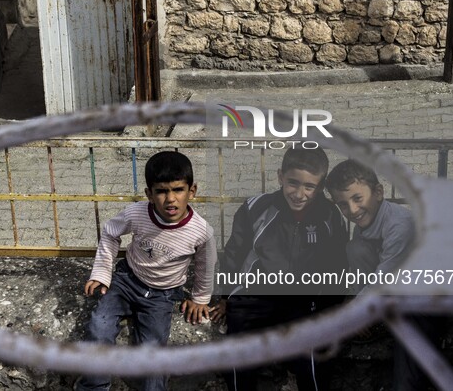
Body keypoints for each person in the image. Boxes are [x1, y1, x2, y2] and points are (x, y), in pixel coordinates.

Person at [75, 151, 217, 391]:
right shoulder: (137, 213)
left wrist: (200, 298)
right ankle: (94, 386)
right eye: (161, 191)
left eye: (178, 190)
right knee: (99, 327)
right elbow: (110, 233)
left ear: (192, 191)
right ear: (149, 194)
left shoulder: (202, 231)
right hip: (126, 281)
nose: (170, 199)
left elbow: (205, 266)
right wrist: (101, 273)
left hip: (162, 296)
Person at [217, 147, 348, 390]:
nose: (299, 194)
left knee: (313, 352)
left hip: (303, 300)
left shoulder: (330, 215)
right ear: (280, 177)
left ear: (320, 187)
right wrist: (226, 296)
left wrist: (332, 305)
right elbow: (233, 254)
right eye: (293, 183)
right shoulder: (255, 208)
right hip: (255, 295)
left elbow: (337, 264)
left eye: (309, 187)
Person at [326, 159, 443, 391]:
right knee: (355, 248)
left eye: (357, 198)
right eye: (342, 204)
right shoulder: (367, 224)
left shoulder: (399, 225)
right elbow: (363, 270)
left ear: (378, 192)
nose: (352, 210)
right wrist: (353, 297)